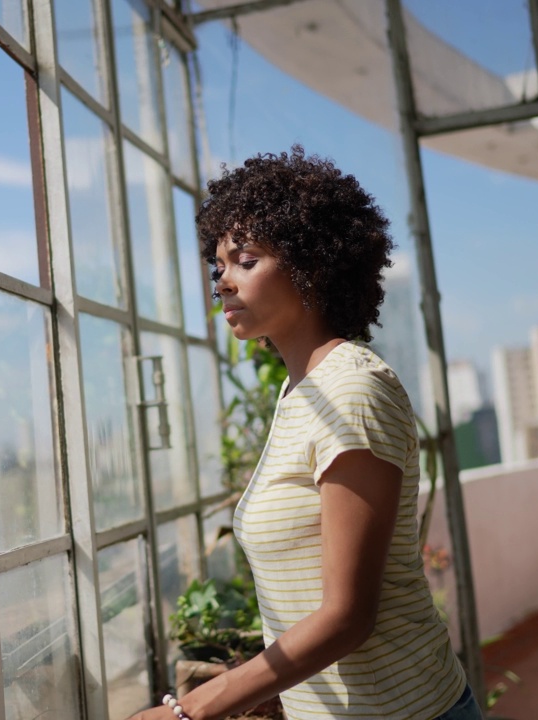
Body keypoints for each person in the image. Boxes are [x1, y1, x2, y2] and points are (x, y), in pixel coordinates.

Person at [128, 147, 479, 720]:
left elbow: (347, 617)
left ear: (310, 263)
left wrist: (187, 712)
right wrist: (274, 691)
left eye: (245, 260)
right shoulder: (300, 391)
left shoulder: (352, 392)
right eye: (219, 266)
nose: (223, 283)